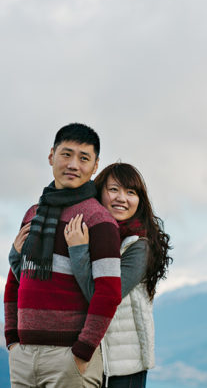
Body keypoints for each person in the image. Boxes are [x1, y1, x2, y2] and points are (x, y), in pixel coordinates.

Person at [4, 123, 122, 388]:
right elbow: (16, 280)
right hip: (23, 356)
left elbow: (109, 293)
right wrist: (12, 338)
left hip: (68, 357)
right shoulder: (33, 214)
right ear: (51, 156)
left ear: (95, 166)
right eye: (66, 154)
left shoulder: (98, 220)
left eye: (84, 158)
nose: (73, 164)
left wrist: (82, 352)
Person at [62, 163, 171, 388]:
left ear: (140, 200)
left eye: (130, 192)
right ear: (99, 193)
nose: (122, 198)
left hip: (124, 367)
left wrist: (78, 250)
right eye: (114, 190)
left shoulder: (139, 246)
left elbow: (102, 297)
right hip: (91, 358)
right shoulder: (92, 236)